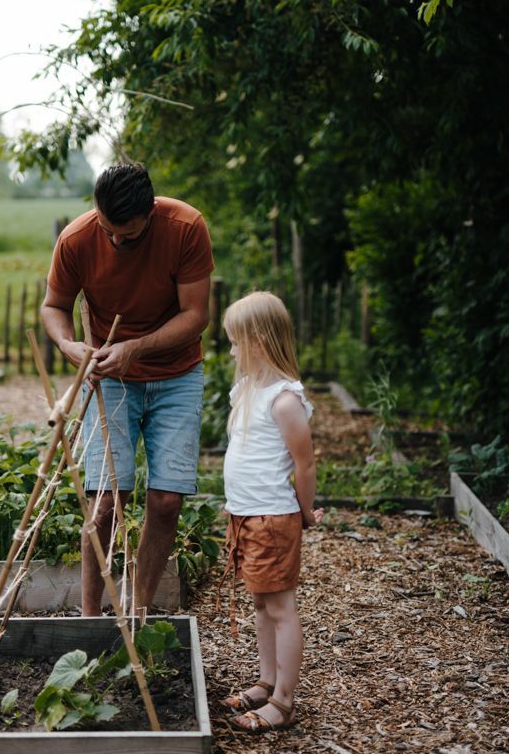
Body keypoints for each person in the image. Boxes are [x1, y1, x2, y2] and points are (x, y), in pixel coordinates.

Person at [41, 162, 213, 617]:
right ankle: (90, 619)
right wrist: (68, 344)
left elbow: (196, 315)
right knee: (106, 504)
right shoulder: (76, 239)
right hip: (109, 379)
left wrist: (136, 348)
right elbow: (54, 306)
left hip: (176, 375)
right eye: (108, 231)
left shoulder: (186, 227)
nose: (117, 242)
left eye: (129, 237)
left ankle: (138, 612)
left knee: (166, 500)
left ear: (151, 213)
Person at [218, 290, 322, 733]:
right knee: (261, 602)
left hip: (273, 518)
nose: (232, 350)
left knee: (280, 607)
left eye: (236, 341)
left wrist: (304, 512)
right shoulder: (246, 390)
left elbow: (305, 463)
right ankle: (266, 679)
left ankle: (283, 701)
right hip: (246, 515)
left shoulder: (284, 399)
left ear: (258, 341)